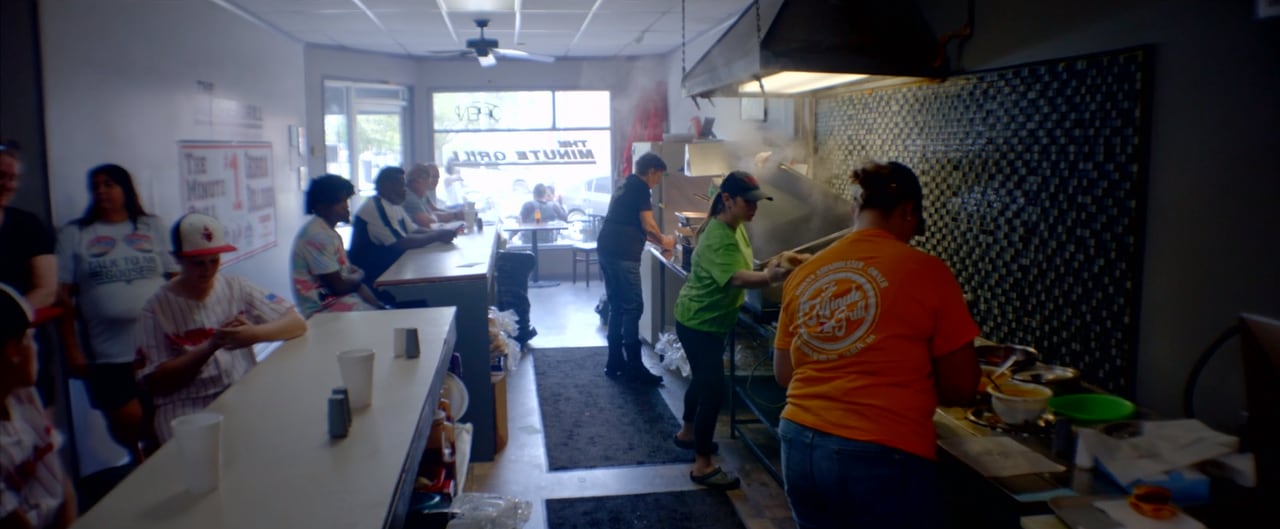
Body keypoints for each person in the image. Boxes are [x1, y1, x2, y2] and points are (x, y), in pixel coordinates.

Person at [772, 161, 980, 529]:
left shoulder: (806, 272)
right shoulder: (928, 271)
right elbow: (961, 386)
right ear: (909, 212)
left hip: (799, 443)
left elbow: (785, 374)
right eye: (914, 227)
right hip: (883, 454)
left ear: (855, 211)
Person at [134, 213, 307, 443]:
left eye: (213, 260)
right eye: (198, 262)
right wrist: (210, 346)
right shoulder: (155, 309)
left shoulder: (236, 287)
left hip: (240, 392)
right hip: (185, 408)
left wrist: (253, 335)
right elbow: (156, 383)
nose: (207, 270)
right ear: (178, 258)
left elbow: (297, 323)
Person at [672, 171, 791, 490]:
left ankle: (687, 433)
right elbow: (737, 278)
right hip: (699, 322)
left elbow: (743, 267)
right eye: (748, 202)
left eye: (757, 202)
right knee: (713, 389)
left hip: (706, 320)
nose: (754, 208)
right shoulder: (717, 235)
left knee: (702, 380)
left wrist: (766, 267)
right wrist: (770, 277)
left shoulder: (735, 226)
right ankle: (702, 466)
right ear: (728, 200)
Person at [55, 163, 176, 461]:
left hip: (157, 345)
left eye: (109, 184)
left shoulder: (151, 226)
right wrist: (72, 349)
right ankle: (137, 464)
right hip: (107, 351)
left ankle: (156, 461)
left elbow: (174, 279)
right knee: (127, 422)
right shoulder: (76, 233)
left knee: (160, 418)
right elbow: (62, 297)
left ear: (125, 188)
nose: (101, 191)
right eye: (96, 186)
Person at [0, 283, 77, 529]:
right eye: (31, 338)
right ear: (13, 351)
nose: (37, 347)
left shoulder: (24, 394)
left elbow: (62, 485)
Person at [596, 152, 675, 385]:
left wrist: (655, 239)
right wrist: (665, 241)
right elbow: (647, 223)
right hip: (623, 253)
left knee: (618, 305)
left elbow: (627, 221)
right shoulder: (641, 188)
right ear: (651, 171)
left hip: (608, 247)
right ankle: (634, 366)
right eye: (658, 176)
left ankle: (614, 361)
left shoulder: (625, 184)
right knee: (633, 306)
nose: (658, 181)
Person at [348, 167, 458, 298]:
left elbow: (413, 230)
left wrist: (441, 232)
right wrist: (438, 235)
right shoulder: (375, 206)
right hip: (377, 279)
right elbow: (401, 243)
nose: (405, 189)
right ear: (386, 186)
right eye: (401, 185)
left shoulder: (393, 204)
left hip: (395, 268)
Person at [291, 174, 384, 318]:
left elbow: (352, 283)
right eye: (340, 202)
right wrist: (360, 275)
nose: (346, 208)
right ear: (321, 207)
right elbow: (340, 286)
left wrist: (379, 306)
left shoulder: (328, 232)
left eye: (346, 201)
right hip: (324, 312)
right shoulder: (318, 236)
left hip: (343, 304)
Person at [0, 139, 56, 310]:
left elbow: (47, 290)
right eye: (1, 176)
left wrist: (9, 323)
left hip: (20, 331)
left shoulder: (28, 225)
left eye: (14, 178)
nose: (9, 185)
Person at [403, 163, 462, 230]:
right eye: (432, 177)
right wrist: (454, 215)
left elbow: (434, 211)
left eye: (437, 177)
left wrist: (454, 214)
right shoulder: (410, 197)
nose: (435, 181)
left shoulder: (421, 192)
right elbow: (428, 222)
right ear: (419, 180)